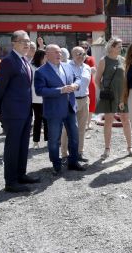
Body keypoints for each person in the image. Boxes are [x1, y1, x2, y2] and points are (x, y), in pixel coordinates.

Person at [0, 30, 40, 193]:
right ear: (14, 43)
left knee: (23, 145)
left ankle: (21, 174)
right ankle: (11, 182)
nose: (27, 44)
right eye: (23, 41)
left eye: (28, 41)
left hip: (26, 111)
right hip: (12, 113)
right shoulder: (8, 62)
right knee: (12, 147)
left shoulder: (25, 61)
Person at [34, 44, 85, 175]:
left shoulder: (67, 66)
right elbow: (40, 91)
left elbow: (78, 78)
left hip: (69, 108)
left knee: (74, 136)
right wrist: (60, 90)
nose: (59, 55)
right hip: (54, 110)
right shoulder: (41, 71)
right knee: (54, 140)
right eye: (56, 52)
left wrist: (75, 85)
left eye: (60, 52)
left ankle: (73, 162)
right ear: (47, 54)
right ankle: (56, 165)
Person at [95, 37, 132, 159]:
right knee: (108, 122)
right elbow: (97, 79)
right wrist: (105, 91)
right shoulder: (104, 60)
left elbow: (126, 78)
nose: (121, 48)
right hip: (109, 96)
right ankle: (107, 149)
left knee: (126, 121)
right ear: (111, 47)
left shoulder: (122, 60)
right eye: (118, 46)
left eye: (121, 46)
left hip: (122, 95)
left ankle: (129, 147)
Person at [61, 46, 91, 162]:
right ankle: (64, 154)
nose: (81, 56)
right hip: (71, 99)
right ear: (72, 55)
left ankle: (79, 152)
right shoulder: (66, 66)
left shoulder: (87, 67)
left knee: (82, 128)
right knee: (67, 129)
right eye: (78, 54)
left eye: (83, 54)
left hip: (84, 100)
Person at [30, 50, 48, 149]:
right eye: (45, 56)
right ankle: (36, 141)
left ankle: (47, 139)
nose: (47, 58)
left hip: (46, 97)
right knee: (38, 119)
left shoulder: (47, 66)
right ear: (41, 57)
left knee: (47, 119)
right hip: (36, 97)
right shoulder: (31, 66)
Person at [80, 41, 96, 131]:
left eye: (86, 47)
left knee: (91, 103)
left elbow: (94, 70)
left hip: (90, 83)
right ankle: (81, 122)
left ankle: (88, 123)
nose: (84, 49)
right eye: (82, 47)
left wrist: (84, 69)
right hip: (80, 84)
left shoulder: (90, 59)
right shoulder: (76, 58)